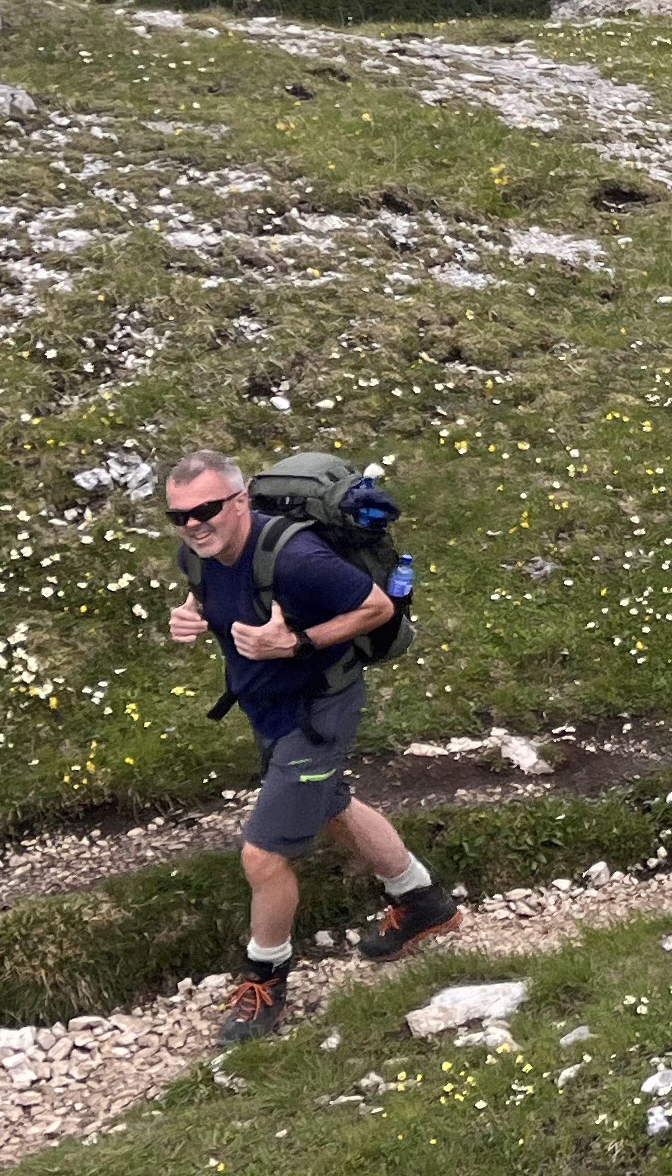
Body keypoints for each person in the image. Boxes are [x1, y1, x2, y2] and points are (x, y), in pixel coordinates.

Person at [158, 446, 459, 1046]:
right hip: (266, 708)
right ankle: (422, 900)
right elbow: (209, 588)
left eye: (208, 509)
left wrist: (295, 643)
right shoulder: (199, 553)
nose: (194, 525)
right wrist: (189, 616)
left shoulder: (297, 558)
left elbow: (374, 608)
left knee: (263, 857)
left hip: (318, 709)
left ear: (239, 502)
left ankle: (265, 978)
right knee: (330, 806)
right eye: (180, 516)